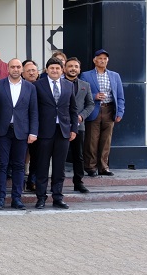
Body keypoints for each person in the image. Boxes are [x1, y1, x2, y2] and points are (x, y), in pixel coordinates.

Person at [0, 59, 38, 210]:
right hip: (3, 131)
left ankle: (17, 199)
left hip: (22, 132)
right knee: (1, 165)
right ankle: (0, 199)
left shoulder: (30, 87)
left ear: (22, 69)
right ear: (8, 69)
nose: (15, 69)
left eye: (18, 67)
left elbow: (33, 111)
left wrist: (33, 132)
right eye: (13, 67)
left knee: (19, 166)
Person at [34, 58, 78, 209]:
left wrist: (74, 129)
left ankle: (58, 197)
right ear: (47, 70)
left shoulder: (68, 85)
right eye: (52, 68)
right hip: (44, 132)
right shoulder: (38, 85)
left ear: (62, 70)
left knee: (59, 168)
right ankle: (41, 198)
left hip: (63, 131)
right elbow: (34, 110)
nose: (54, 71)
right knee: (42, 166)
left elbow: (73, 109)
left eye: (57, 68)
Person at [80, 49, 124, 177]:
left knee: (106, 140)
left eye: (105, 59)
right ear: (94, 60)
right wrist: (94, 96)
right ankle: (91, 167)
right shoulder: (86, 75)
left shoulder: (115, 76)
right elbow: (82, 93)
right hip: (93, 109)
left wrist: (120, 112)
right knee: (91, 140)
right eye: (100, 58)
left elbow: (120, 96)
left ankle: (104, 167)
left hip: (109, 110)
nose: (102, 61)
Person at [65, 57, 95, 193]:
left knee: (79, 155)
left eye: (76, 66)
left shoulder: (85, 85)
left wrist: (82, 116)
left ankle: (78, 182)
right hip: (62, 125)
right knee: (60, 155)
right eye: (70, 66)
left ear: (79, 69)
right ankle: (57, 182)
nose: (73, 68)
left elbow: (90, 104)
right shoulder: (59, 83)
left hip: (79, 125)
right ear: (65, 68)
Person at [22, 59, 40, 192]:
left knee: (36, 155)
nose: (31, 73)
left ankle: (32, 180)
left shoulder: (42, 86)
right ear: (23, 73)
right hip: (20, 126)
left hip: (37, 127)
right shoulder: (19, 86)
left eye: (34, 70)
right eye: (28, 71)